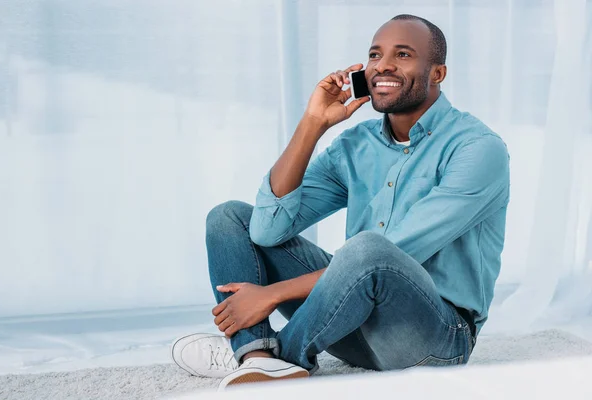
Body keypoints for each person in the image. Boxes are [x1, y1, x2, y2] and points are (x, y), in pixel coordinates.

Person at [171, 14, 510, 390]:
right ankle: (256, 356)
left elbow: (392, 253)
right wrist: (313, 123)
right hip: (350, 325)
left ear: (437, 73)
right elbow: (266, 231)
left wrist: (270, 296)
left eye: (403, 54)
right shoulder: (355, 145)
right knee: (229, 218)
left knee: (367, 249)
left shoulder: (478, 149)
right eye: (375, 55)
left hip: (435, 339)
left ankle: (276, 354)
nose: (383, 65)